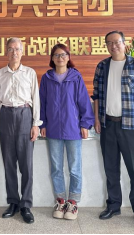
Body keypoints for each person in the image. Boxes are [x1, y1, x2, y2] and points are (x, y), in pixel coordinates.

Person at [92, 31, 134, 228]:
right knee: (111, 168)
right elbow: (96, 95)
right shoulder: (102, 66)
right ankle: (114, 205)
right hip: (107, 124)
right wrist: (97, 119)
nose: (113, 46)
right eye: (109, 43)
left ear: (124, 43)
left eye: (117, 42)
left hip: (131, 125)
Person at [39, 43, 95, 221]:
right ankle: (60, 200)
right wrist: (42, 124)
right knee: (56, 168)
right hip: (53, 128)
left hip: (73, 128)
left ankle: (73, 202)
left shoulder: (75, 77)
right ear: (52, 58)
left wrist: (85, 124)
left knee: (74, 168)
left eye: (63, 54)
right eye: (56, 55)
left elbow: (84, 102)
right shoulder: (47, 78)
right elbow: (42, 103)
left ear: (68, 57)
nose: (60, 58)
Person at [0, 37, 41, 225]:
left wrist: (35, 124)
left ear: (22, 52)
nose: (14, 52)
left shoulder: (30, 73)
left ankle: (26, 205)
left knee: (26, 164)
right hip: (5, 115)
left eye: (17, 49)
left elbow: (36, 99)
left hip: (25, 115)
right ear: (6, 52)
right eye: (11, 49)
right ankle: (13, 202)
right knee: (9, 163)